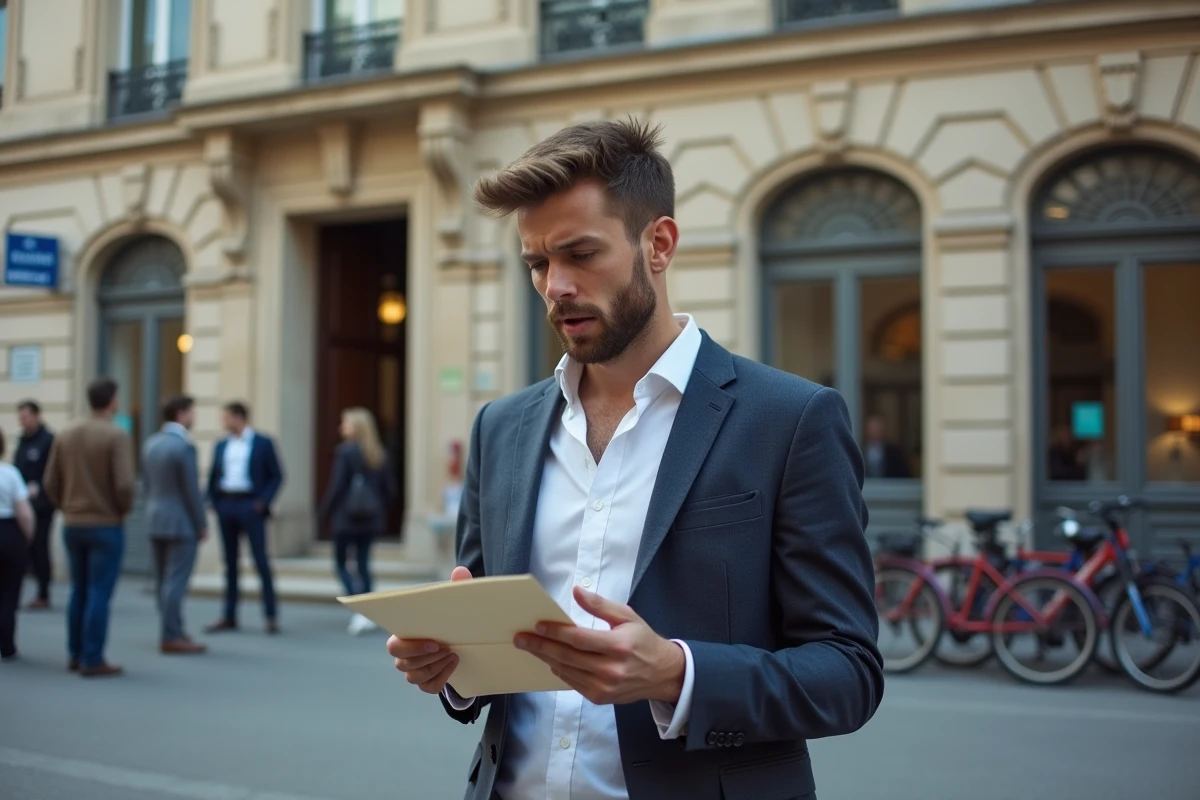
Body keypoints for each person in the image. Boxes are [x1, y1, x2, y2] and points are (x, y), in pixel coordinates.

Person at [386, 119, 883, 800]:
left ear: (659, 243)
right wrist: (452, 665)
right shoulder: (500, 429)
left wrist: (676, 675)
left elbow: (848, 672)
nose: (555, 285)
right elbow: (489, 664)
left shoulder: (789, 420)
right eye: (536, 263)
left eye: (580, 253)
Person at [42, 377, 135, 677]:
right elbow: (124, 485)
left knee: (78, 590)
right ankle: (93, 658)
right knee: (99, 592)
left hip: (73, 522)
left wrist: (66, 505)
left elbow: (49, 482)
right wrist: (121, 510)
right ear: (112, 401)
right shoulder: (116, 435)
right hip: (105, 524)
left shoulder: (66, 432)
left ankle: (76, 653)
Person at [205, 401, 284, 634]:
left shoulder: (262, 443)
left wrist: (262, 502)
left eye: (227, 417)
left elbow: (277, 476)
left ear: (240, 417)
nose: (223, 422)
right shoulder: (221, 444)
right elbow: (213, 475)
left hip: (251, 505)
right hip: (226, 504)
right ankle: (229, 614)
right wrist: (212, 501)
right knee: (230, 562)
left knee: (261, 560)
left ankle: (271, 615)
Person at [319, 407, 397, 634]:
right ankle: (368, 610)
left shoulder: (346, 452)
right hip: (371, 519)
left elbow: (337, 487)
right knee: (363, 564)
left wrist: (324, 513)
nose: (341, 428)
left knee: (341, 564)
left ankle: (359, 607)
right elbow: (390, 490)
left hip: (347, 518)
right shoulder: (379, 453)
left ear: (356, 427)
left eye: (345, 423)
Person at [142, 395, 208, 654]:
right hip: (180, 522)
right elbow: (191, 490)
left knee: (162, 581)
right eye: (191, 412)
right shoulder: (184, 447)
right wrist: (201, 523)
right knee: (176, 581)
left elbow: (147, 484)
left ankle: (174, 628)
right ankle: (171, 634)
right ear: (181, 414)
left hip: (155, 517)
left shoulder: (151, 444)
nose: (193, 417)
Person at [14, 400, 56, 609]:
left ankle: (44, 593)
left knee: (41, 547)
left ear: (36, 416)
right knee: (27, 549)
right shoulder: (23, 440)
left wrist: (40, 488)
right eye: (21, 417)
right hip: (24, 503)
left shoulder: (47, 440)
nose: (23, 421)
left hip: (43, 505)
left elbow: (53, 471)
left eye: (26, 416)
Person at [0, 426, 36, 662]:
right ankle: (7, 644)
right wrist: (27, 539)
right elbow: (25, 514)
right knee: (9, 594)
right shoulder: (10, 473)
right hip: (8, 533)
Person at [863, 414, 911, 479]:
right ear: (866, 430)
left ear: (883, 430)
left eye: (878, 427)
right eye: (873, 428)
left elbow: (904, 478)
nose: (875, 431)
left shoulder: (895, 454)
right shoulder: (859, 452)